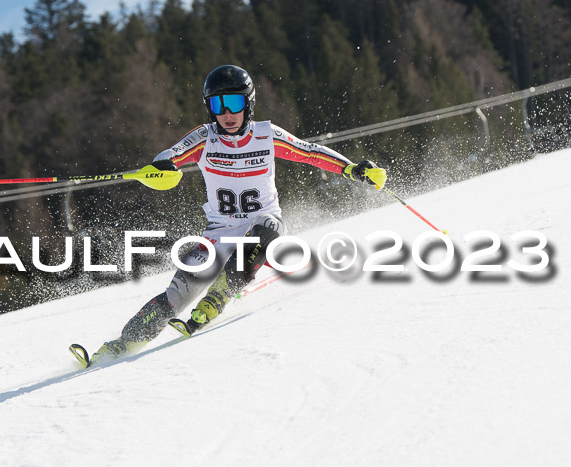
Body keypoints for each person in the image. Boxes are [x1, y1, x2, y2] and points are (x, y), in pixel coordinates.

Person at [90, 64, 386, 363]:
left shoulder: (266, 134)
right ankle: (120, 345)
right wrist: (161, 167)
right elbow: (171, 155)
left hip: (264, 226)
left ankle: (220, 296)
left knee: (267, 229)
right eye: (219, 105)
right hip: (218, 234)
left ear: (249, 103)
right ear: (210, 108)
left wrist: (351, 169)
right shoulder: (205, 138)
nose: (227, 113)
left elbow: (309, 151)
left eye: (235, 103)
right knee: (177, 295)